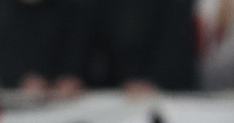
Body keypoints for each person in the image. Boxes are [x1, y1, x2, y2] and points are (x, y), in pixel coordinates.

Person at [61, 0, 199, 93]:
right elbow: (82, 35)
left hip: (164, 92)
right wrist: (71, 74)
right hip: (107, 91)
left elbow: (176, 40)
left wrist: (157, 81)